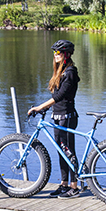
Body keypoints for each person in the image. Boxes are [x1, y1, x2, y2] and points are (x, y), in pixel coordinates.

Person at [28, 39, 80, 197]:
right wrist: (47, 109)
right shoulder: (60, 72)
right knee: (61, 152)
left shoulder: (70, 73)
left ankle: (74, 187)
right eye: (54, 53)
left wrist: (40, 107)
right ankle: (64, 184)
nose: (56, 55)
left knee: (68, 151)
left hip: (67, 117)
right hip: (58, 116)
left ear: (66, 54)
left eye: (58, 53)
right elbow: (57, 98)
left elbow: (60, 96)